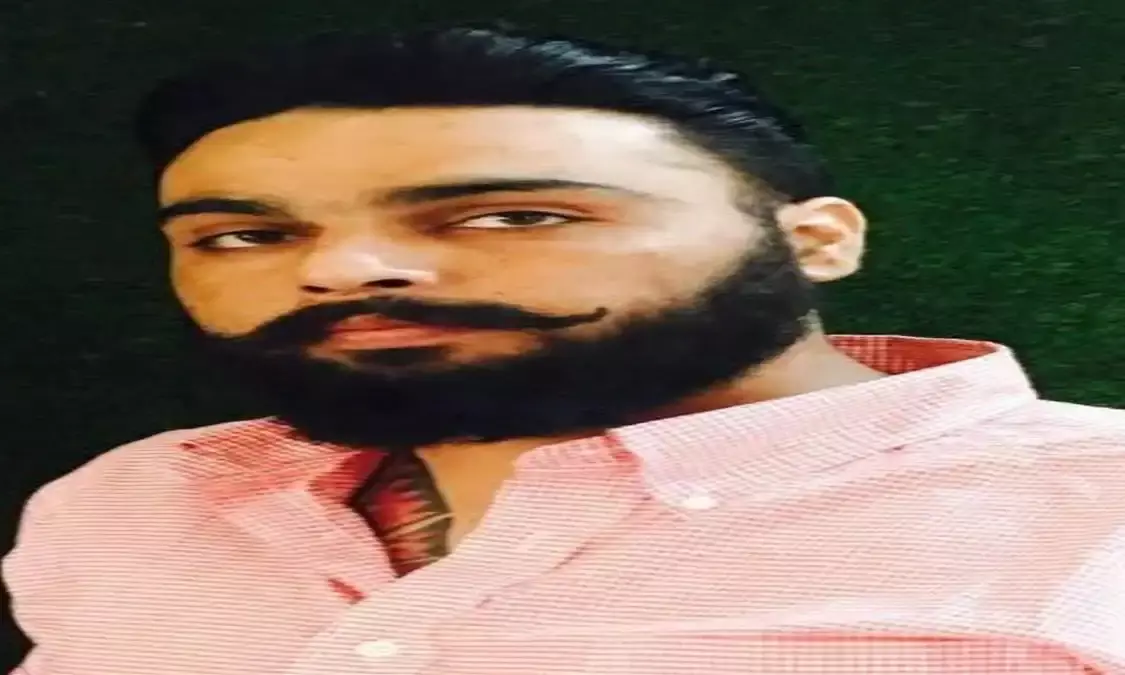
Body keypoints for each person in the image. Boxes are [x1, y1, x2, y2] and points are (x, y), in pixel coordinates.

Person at [4, 22, 1125, 675]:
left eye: (510, 215)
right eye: (246, 236)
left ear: (817, 240)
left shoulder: (1097, 511)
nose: (341, 270)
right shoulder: (136, 501)